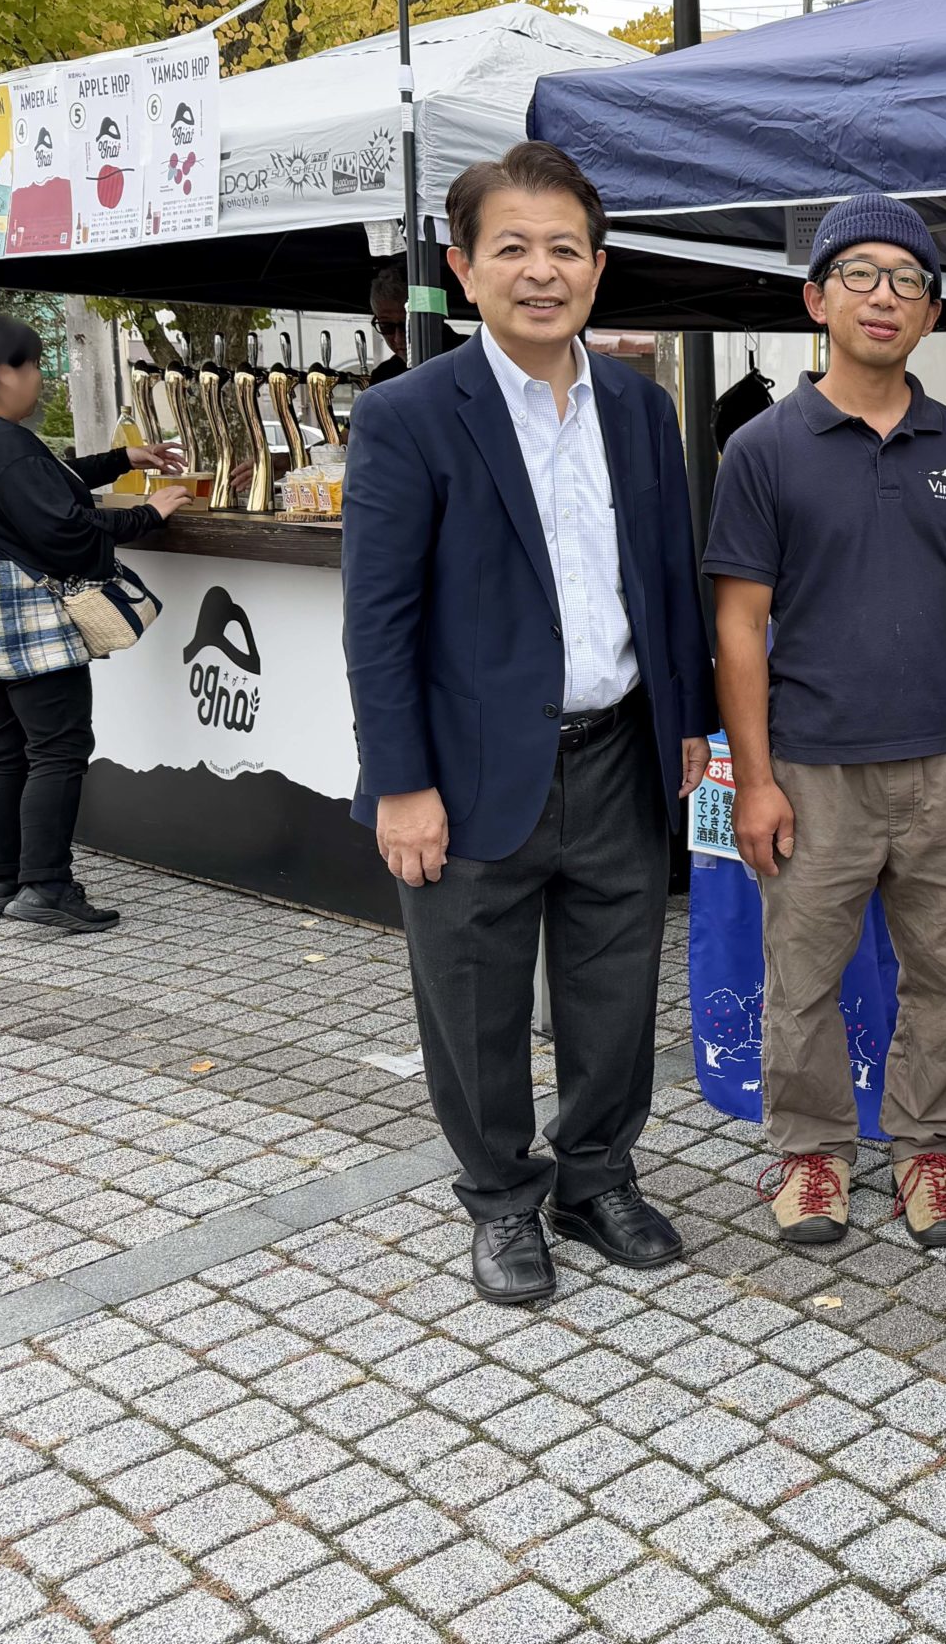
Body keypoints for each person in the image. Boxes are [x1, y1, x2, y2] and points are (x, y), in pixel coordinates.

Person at [341, 141, 714, 1306]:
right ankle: (502, 1198)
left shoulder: (641, 409)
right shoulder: (409, 415)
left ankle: (596, 1176)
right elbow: (378, 620)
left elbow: (667, 578)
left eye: (565, 249)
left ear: (598, 268)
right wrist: (400, 782)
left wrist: (689, 721)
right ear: (463, 269)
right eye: (513, 247)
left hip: (618, 753)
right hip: (466, 771)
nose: (541, 271)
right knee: (473, 1003)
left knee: (616, 990)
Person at [706, 194, 946, 1250]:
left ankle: (928, 1151)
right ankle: (811, 1154)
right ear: (817, 300)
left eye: (907, 282)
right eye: (860, 274)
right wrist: (754, 779)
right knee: (802, 980)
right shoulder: (762, 449)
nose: (884, 297)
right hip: (813, 769)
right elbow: (738, 624)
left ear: (931, 314)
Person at [0, 312, 189, 931]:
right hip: (24, 618)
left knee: (7, 749)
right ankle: (46, 887)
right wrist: (148, 514)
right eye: (35, 365)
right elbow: (65, 528)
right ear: (2, 373)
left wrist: (120, 458)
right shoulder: (2, 442)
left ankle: (1, 880)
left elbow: (39, 484)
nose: (41, 377)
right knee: (58, 749)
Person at [367, 264, 410, 387]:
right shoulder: (383, 377)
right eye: (386, 326)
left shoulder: (459, 360)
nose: (398, 338)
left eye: (407, 325)